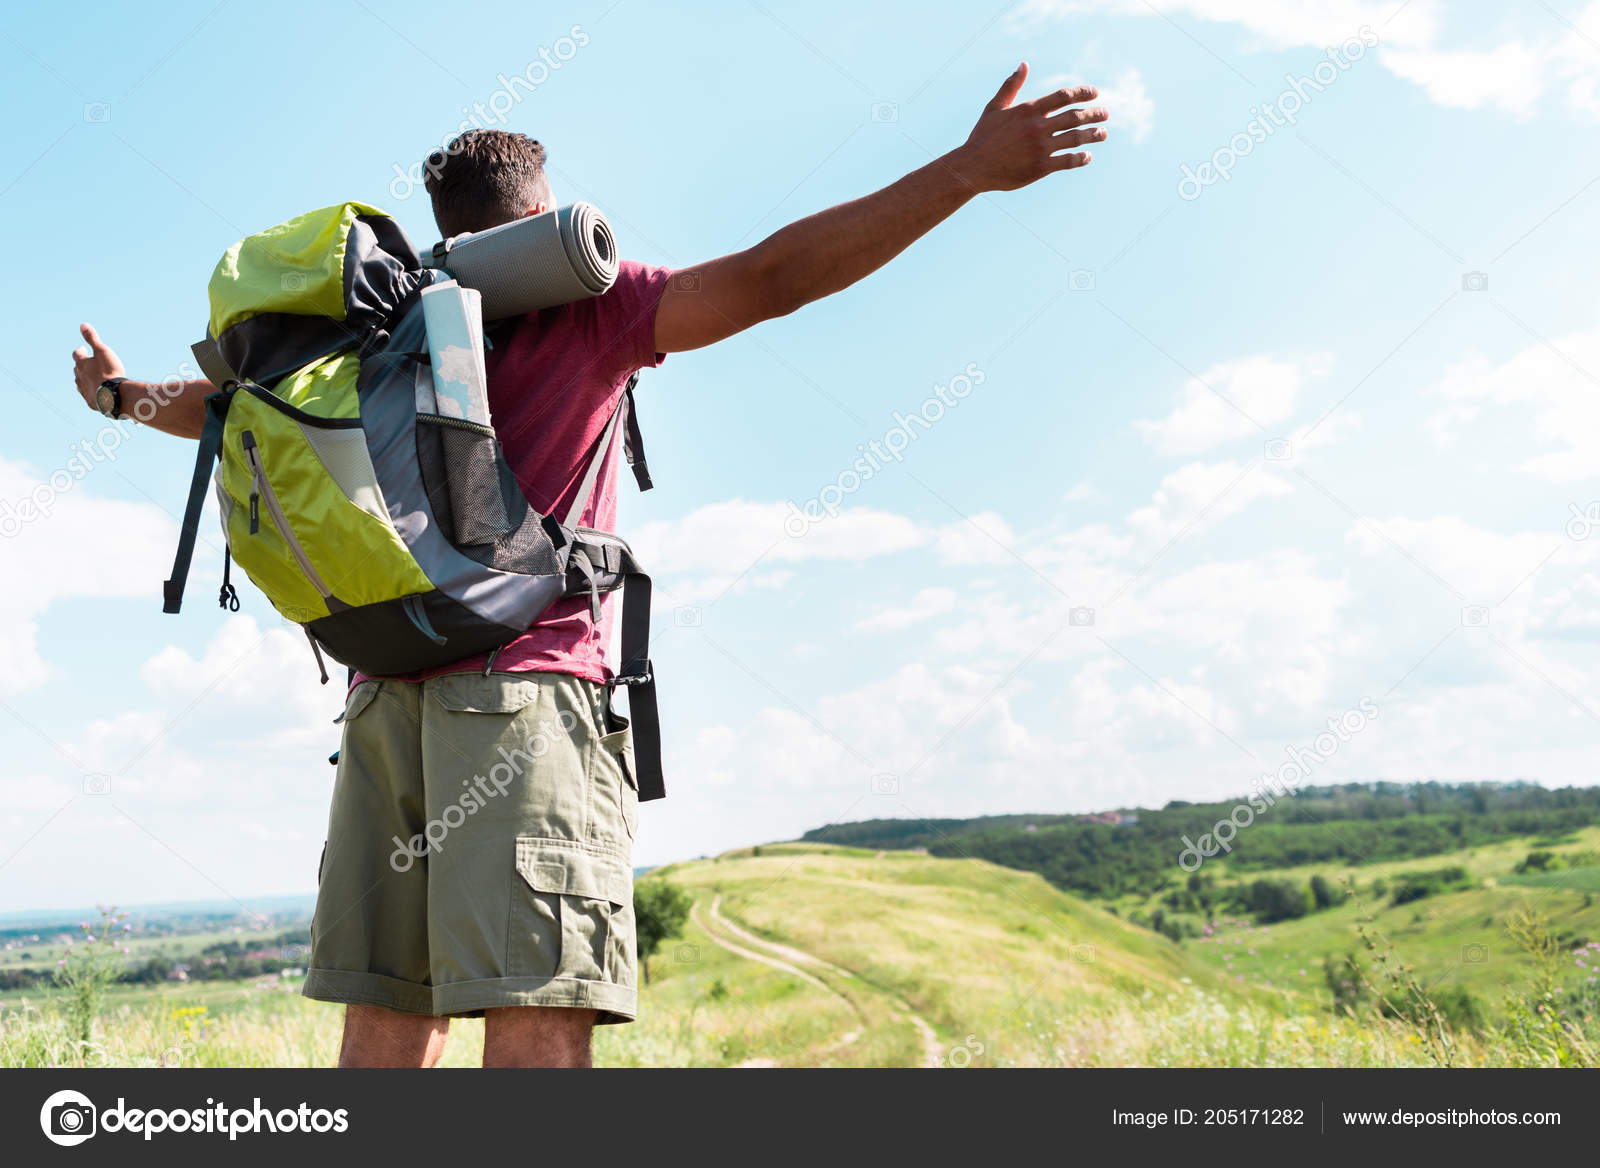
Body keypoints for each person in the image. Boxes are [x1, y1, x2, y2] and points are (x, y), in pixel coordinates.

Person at [69, 63, 1108, 1068]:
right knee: (539, 1010)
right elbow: (770, 278)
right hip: (522, 699)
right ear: (541, 217)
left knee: (388, 1019)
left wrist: (119, 396)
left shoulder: (370, 330)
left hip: (382, 698)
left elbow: (224, 414)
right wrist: (963, 172)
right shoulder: (587, 303)